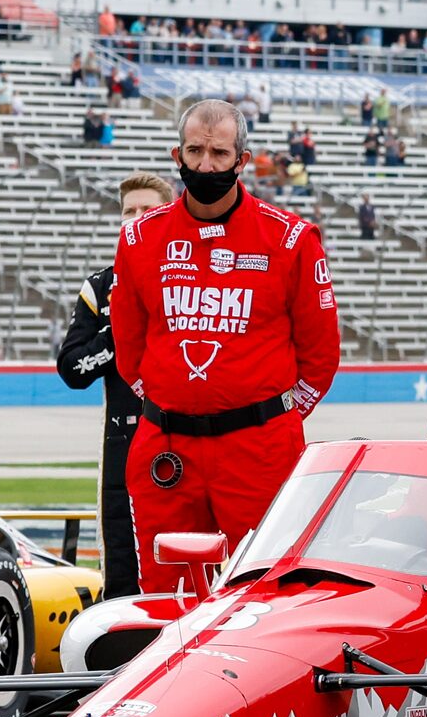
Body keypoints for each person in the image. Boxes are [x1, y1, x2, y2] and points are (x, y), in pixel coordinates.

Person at [109, 98, 341, 575]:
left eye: (218, 154)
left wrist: (271, 417)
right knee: (163, 589)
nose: (205, 164)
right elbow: (129, 347)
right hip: (167, 446)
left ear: (242, 160)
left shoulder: (290, 239)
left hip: (259, 448)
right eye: (195, 151)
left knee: (262, 587)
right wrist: (171, 400)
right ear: (177, 156)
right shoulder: (139, 239)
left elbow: (321, 354)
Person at [57, 172, 173, 594]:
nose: (136, 218)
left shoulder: (200, 276)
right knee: (121, 573)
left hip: (186, 439)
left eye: (148, 210)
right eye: (129, 211)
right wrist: (119, 330)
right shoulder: (100, 286)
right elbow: (72, 369)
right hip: (123, 444)